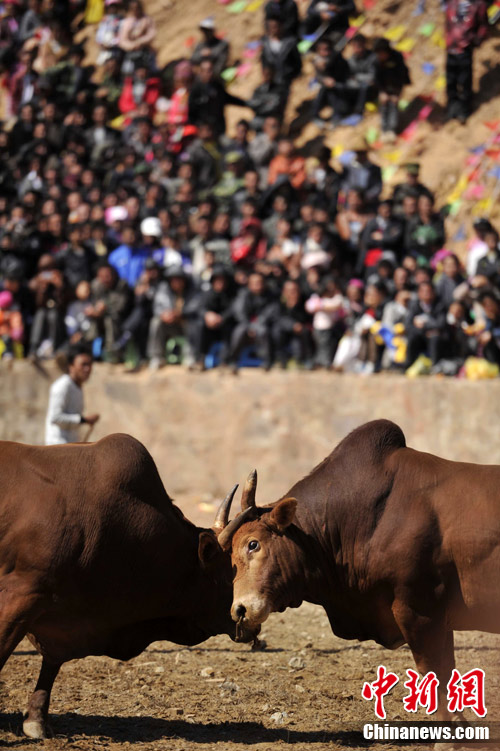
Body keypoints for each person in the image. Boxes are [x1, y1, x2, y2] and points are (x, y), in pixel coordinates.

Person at [444, 0, 489, 124]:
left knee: (464, 81)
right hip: (451, 48)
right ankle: (452, 110)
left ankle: (464, 110)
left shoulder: (478, 4)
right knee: (450, 81)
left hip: (465, 49)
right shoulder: (452, 2)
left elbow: (483, 25)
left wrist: (475, 41)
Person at [45, 347, 100, 445]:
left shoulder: (78, 387)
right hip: (57, 446)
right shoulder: (62, 386)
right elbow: (55, 418)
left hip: (70, 446)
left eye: (89, 364)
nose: (87, 369)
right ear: (71, 366)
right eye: (83, 364)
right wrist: (84, 420)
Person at [373, 37, 411, 141]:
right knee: (384, 105)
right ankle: (384, 130)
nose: (380, 56)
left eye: (381, 53)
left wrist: (396, 94)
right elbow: (377, 78)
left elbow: (402, 76)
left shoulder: (397, 57)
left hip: (396, 86)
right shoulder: (377, 61)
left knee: (393, 105)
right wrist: (382, 92)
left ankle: (392, 130)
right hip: (384, 86)